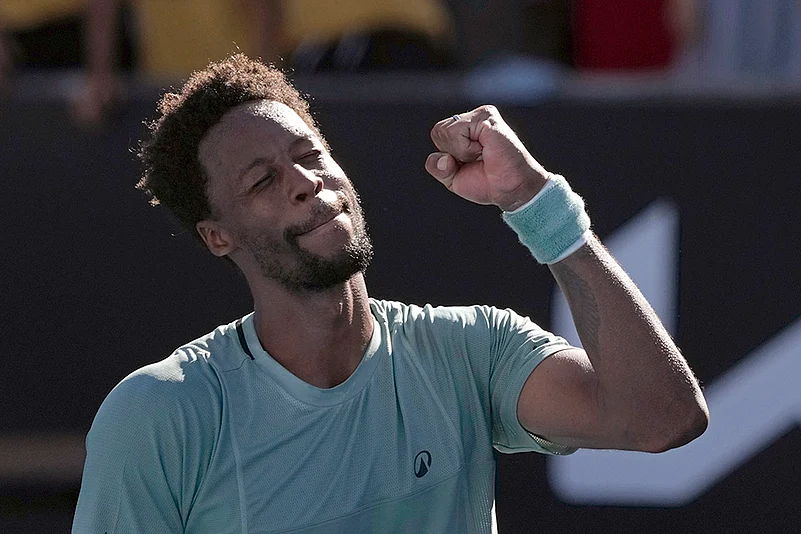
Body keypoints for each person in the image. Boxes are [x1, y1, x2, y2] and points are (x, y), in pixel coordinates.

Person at [72, 54, 709, 532]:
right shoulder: (159, 416)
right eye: (263, 181)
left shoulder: (469, 351)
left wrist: (538, 207)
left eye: (310, 154)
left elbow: (663, 419)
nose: (306, 182)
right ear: (218, 237)